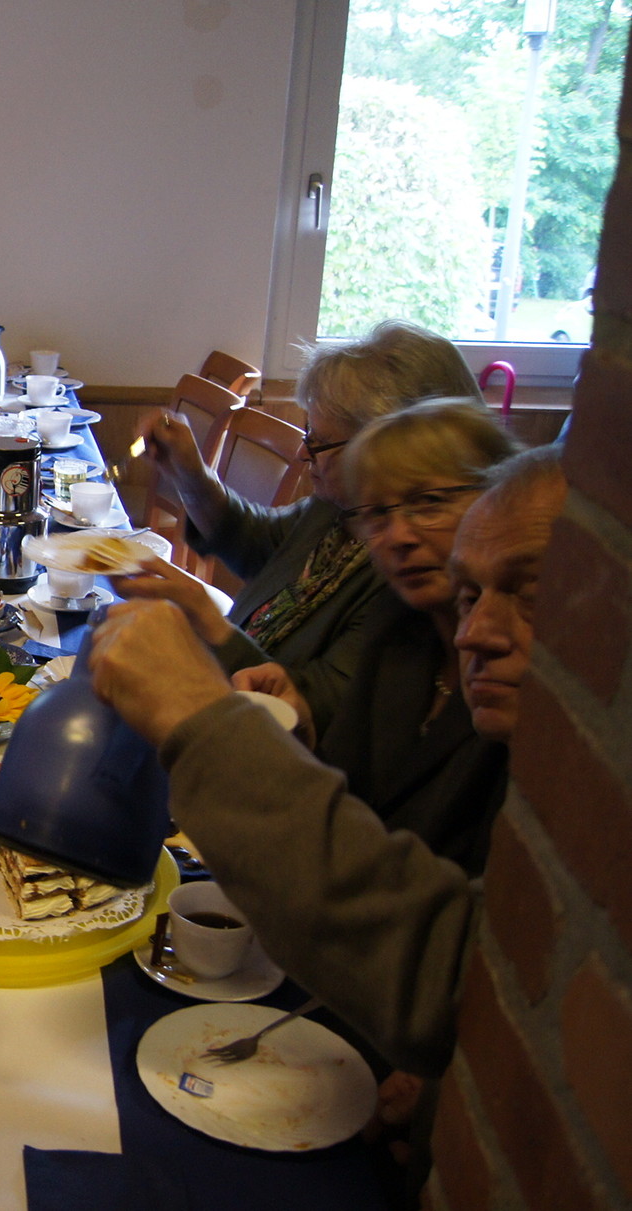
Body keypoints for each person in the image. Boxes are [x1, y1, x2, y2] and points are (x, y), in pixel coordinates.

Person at [89, 445, 566, 1079]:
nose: (473, 631)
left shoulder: (568, 789)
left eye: (530, 594)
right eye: (470, 595)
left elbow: (449, 975)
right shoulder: (404, 642)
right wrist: (306, 742)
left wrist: (202, 721)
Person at [119, 320, 482, 732]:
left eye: (320, 442)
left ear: (389, 447)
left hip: (250, 733)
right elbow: (256, 543)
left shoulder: (409, 575)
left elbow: (318, 714)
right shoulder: (337, 510)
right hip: (223, 703)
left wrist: (208, 621)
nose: (304, 454)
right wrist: (190, 474)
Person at [243, 399, 519, 874]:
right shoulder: (398, 625)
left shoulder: (519, 673)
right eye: (376, 514)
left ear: (498, 500)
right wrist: (304, 738)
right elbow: (349, 801)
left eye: (428, 503)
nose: (398, 537)